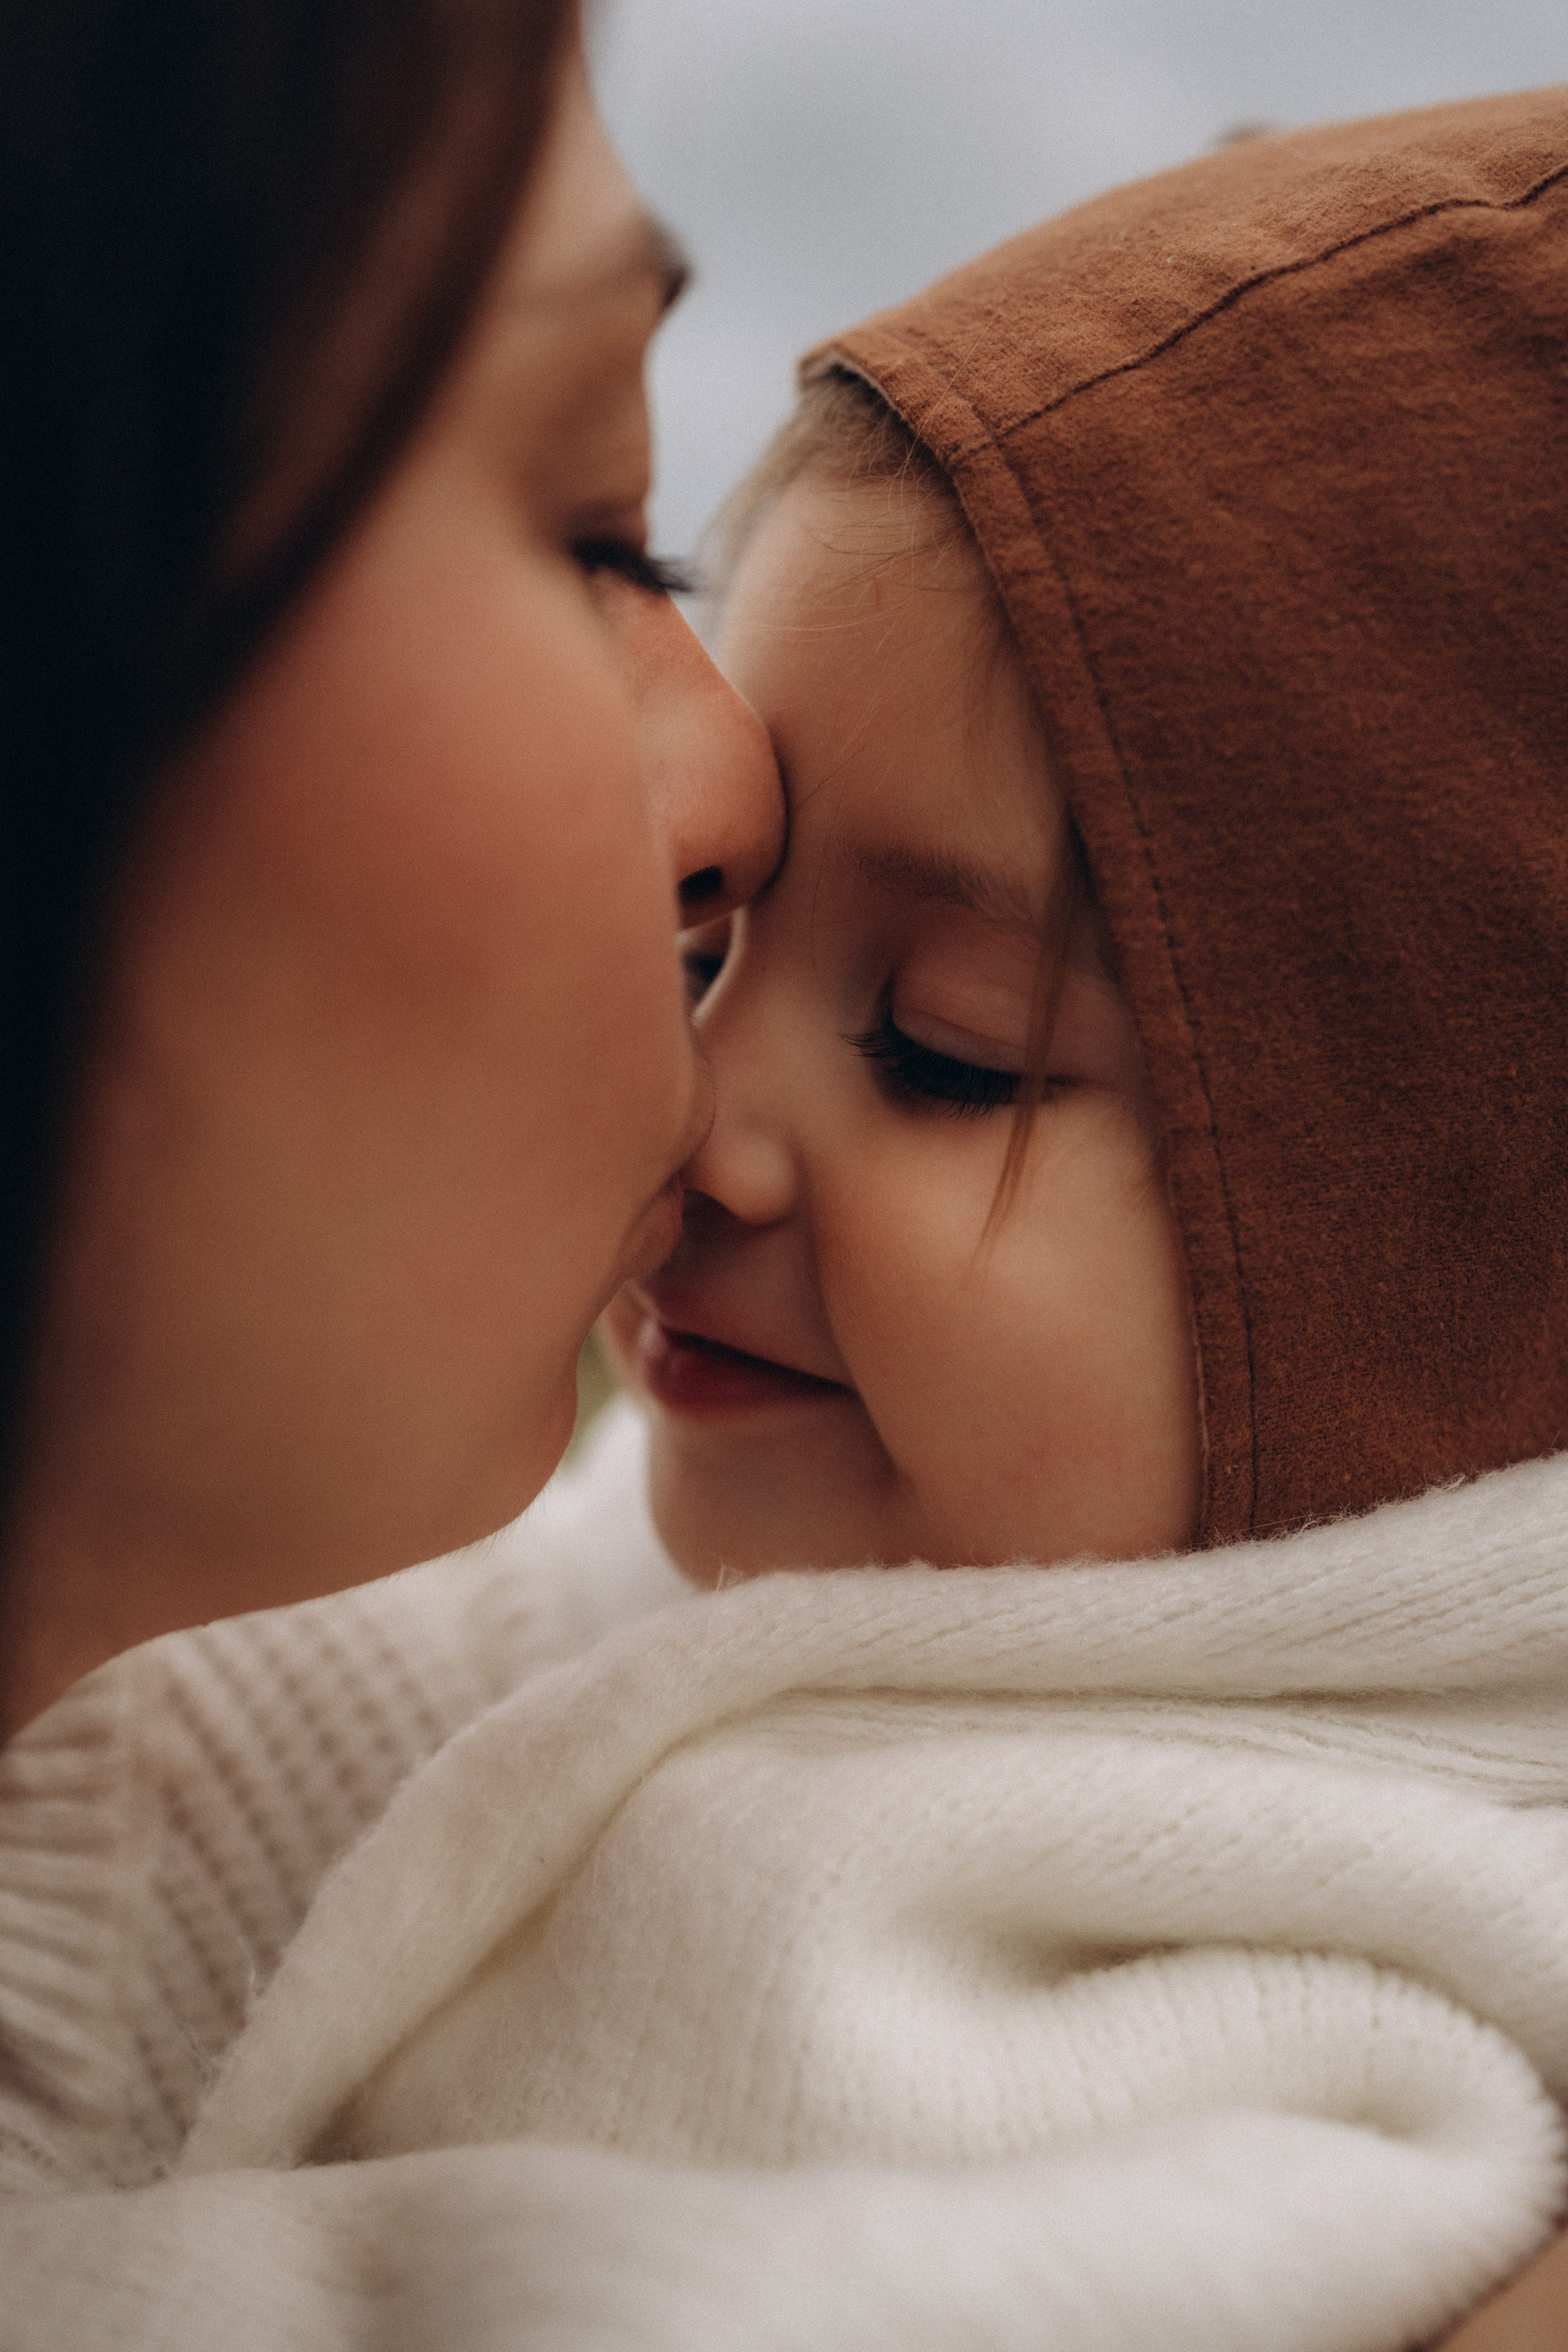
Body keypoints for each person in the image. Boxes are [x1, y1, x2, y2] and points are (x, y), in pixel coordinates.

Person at [157, 82, 1568, 2352]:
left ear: (1466, 1263)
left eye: (946, 1048)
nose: (694, 1113)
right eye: (716, 953)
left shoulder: (1351, 1991)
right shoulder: (623, 1577)